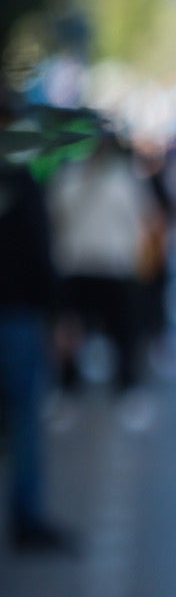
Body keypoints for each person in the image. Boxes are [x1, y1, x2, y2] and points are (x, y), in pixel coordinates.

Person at [47, 131, 160, 432]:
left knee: (124, 332)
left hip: (115, 267)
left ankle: (127, 389)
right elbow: (55, 219)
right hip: (76, 265)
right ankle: (67, 389)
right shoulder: (67, 178)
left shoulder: (125, 179)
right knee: (70, 333)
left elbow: (146, 220)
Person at [1, 94, 72, 552]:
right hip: (19, 317)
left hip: (21, 313)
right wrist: (58, 315)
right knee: (25, 421)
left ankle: (27, 516)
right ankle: (26, 519)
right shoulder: (22, 176)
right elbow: (39, 250)